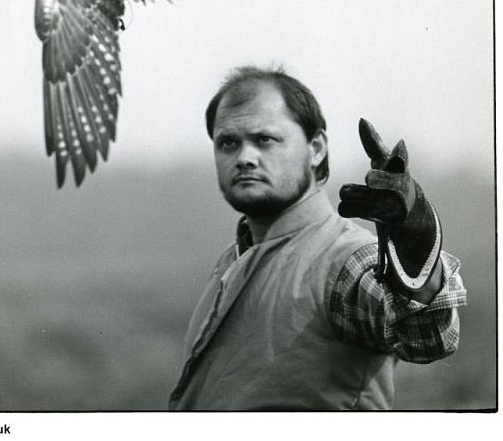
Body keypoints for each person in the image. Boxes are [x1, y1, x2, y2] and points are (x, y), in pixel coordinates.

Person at [168, 65, 466, 410]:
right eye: (228, 143)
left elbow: (429, 338)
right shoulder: (234, 259)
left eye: (265, 139)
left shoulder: (346, 259)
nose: (244, 158)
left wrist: (415, 244)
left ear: (316, 147)